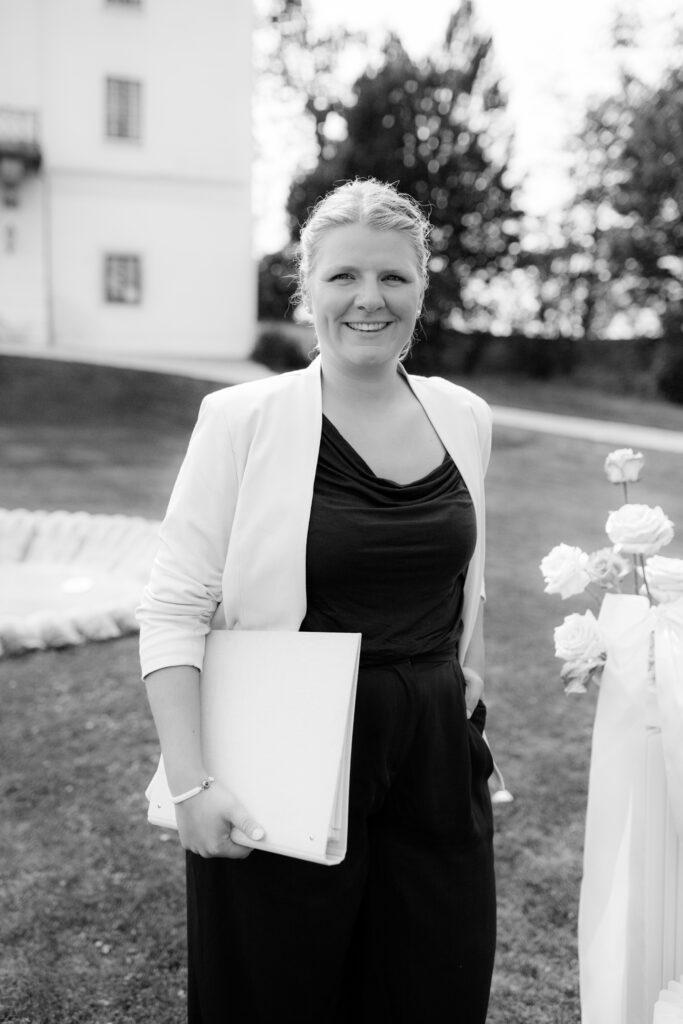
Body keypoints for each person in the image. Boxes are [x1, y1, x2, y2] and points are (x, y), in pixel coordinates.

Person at [137, 177, 496, 1023]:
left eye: (392, 277)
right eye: (342, 277)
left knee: (434, 986)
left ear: (420, 288)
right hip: (284, 755)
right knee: (276, 994)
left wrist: (468, 676)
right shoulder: (240, 419)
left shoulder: (464, 415)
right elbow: (174, 607)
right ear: (306, 289)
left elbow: (466, 571)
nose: (368, 299)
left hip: (434, 757)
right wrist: (190, 786)